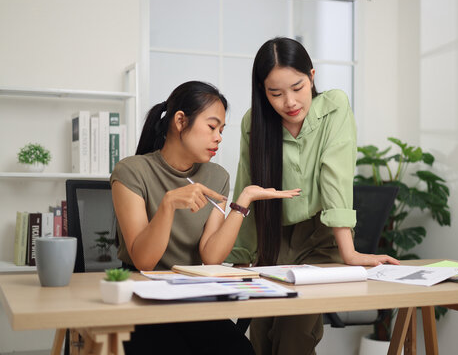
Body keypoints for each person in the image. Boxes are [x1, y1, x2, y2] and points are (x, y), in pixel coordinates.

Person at [225, 37, 400, 355]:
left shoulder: (333, 106)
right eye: (275, 93)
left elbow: (336, 176)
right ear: (263, 92)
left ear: (312, 77)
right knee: (262, 335)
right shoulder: (255, 122)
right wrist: (240, 259)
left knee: (295, 334)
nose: (289, 102)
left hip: (323, 238)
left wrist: (349, 254)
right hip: (273, 238)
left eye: (297, 87)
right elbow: (248, 187)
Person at [110, 81, 300, 355]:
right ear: (180, 121)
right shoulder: (132, 171)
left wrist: (242, 201)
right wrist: (168, 205)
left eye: (221, 130)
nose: (219, 137)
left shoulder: (216, 176)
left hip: (190, 291)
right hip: (141, 293)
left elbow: (211, 256)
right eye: (212, 127)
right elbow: (144, 261)